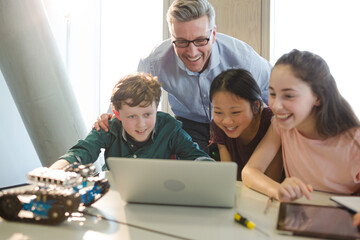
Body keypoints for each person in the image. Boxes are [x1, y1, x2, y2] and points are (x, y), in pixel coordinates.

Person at [93, 0, 272, 154]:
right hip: (190, 127)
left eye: (200, 40)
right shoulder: (155, 60)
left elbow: (274, 92)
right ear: (172, 38)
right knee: (192, 180)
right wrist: (110, 117)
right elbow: (130, 95)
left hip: (237, 126)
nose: (192, 52)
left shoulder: (242, 57)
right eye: (182, 42)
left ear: (214, 34)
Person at [242, 49, 360, 202]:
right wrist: (279, 191)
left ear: (318, 97)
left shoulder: (353, 141)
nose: (276, 106)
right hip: (301, 213)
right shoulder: (281, 126)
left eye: (289, 96)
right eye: (272, 94)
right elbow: (250, 171)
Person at [50, 72, 209, 170]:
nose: (141, 124)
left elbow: (196, 156)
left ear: (156, 108)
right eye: (132, 116)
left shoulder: (170, 127)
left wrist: (211, 170)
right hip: (115, 197)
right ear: (117, 114)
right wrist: (55, 170)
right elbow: (81, 152)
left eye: (147, 114)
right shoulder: (109, 127)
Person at [209, 68, 283, 181]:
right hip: (245, 190)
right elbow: (229, 177)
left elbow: (272, 179)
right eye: (218, 112)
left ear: (256, 106)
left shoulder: (272, 122)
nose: (226, 121)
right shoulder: (218, 126)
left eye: (235, 112)